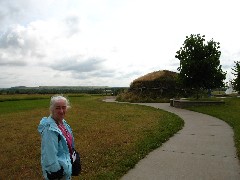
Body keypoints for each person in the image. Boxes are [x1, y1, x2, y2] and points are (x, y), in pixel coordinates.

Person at [38, 95, 76, 180]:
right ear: (52, 109)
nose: (62, 111)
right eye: (58, 108)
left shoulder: (63, 123)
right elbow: (49, 156)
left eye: (64, 107)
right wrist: (56, 173)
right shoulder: (50, 130)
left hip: (66, 168)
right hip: (59, 173)